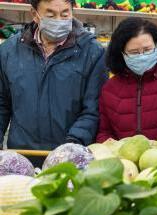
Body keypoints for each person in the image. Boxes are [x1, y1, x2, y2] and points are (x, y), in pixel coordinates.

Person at [0, 0, 107, 151]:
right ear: (34, 14)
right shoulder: (9, 51)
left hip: (70, 157)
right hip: (21, 154)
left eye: (65, 14)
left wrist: (72, 146)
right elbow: (2, 104)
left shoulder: (92, 52)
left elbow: (93, 109)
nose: (59, 21)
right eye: (50, 15)